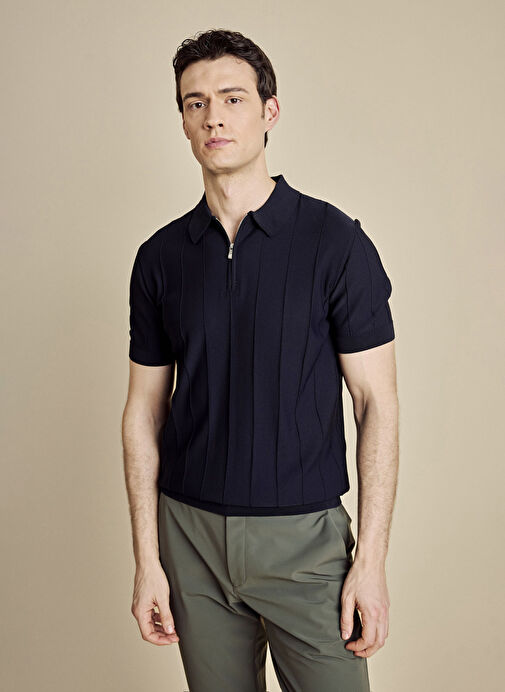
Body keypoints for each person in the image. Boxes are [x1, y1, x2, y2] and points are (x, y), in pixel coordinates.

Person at [122, 28, 399, 692]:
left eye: (232, 98)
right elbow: (142, 414)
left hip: (305, 542)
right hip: (189, 539)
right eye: (195, 103)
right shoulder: (160, 258)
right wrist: (147, 561)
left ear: (269, 111)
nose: (213, 117)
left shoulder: (335, 242)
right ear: (182, 120)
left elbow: (376, 404)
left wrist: (369, 562)